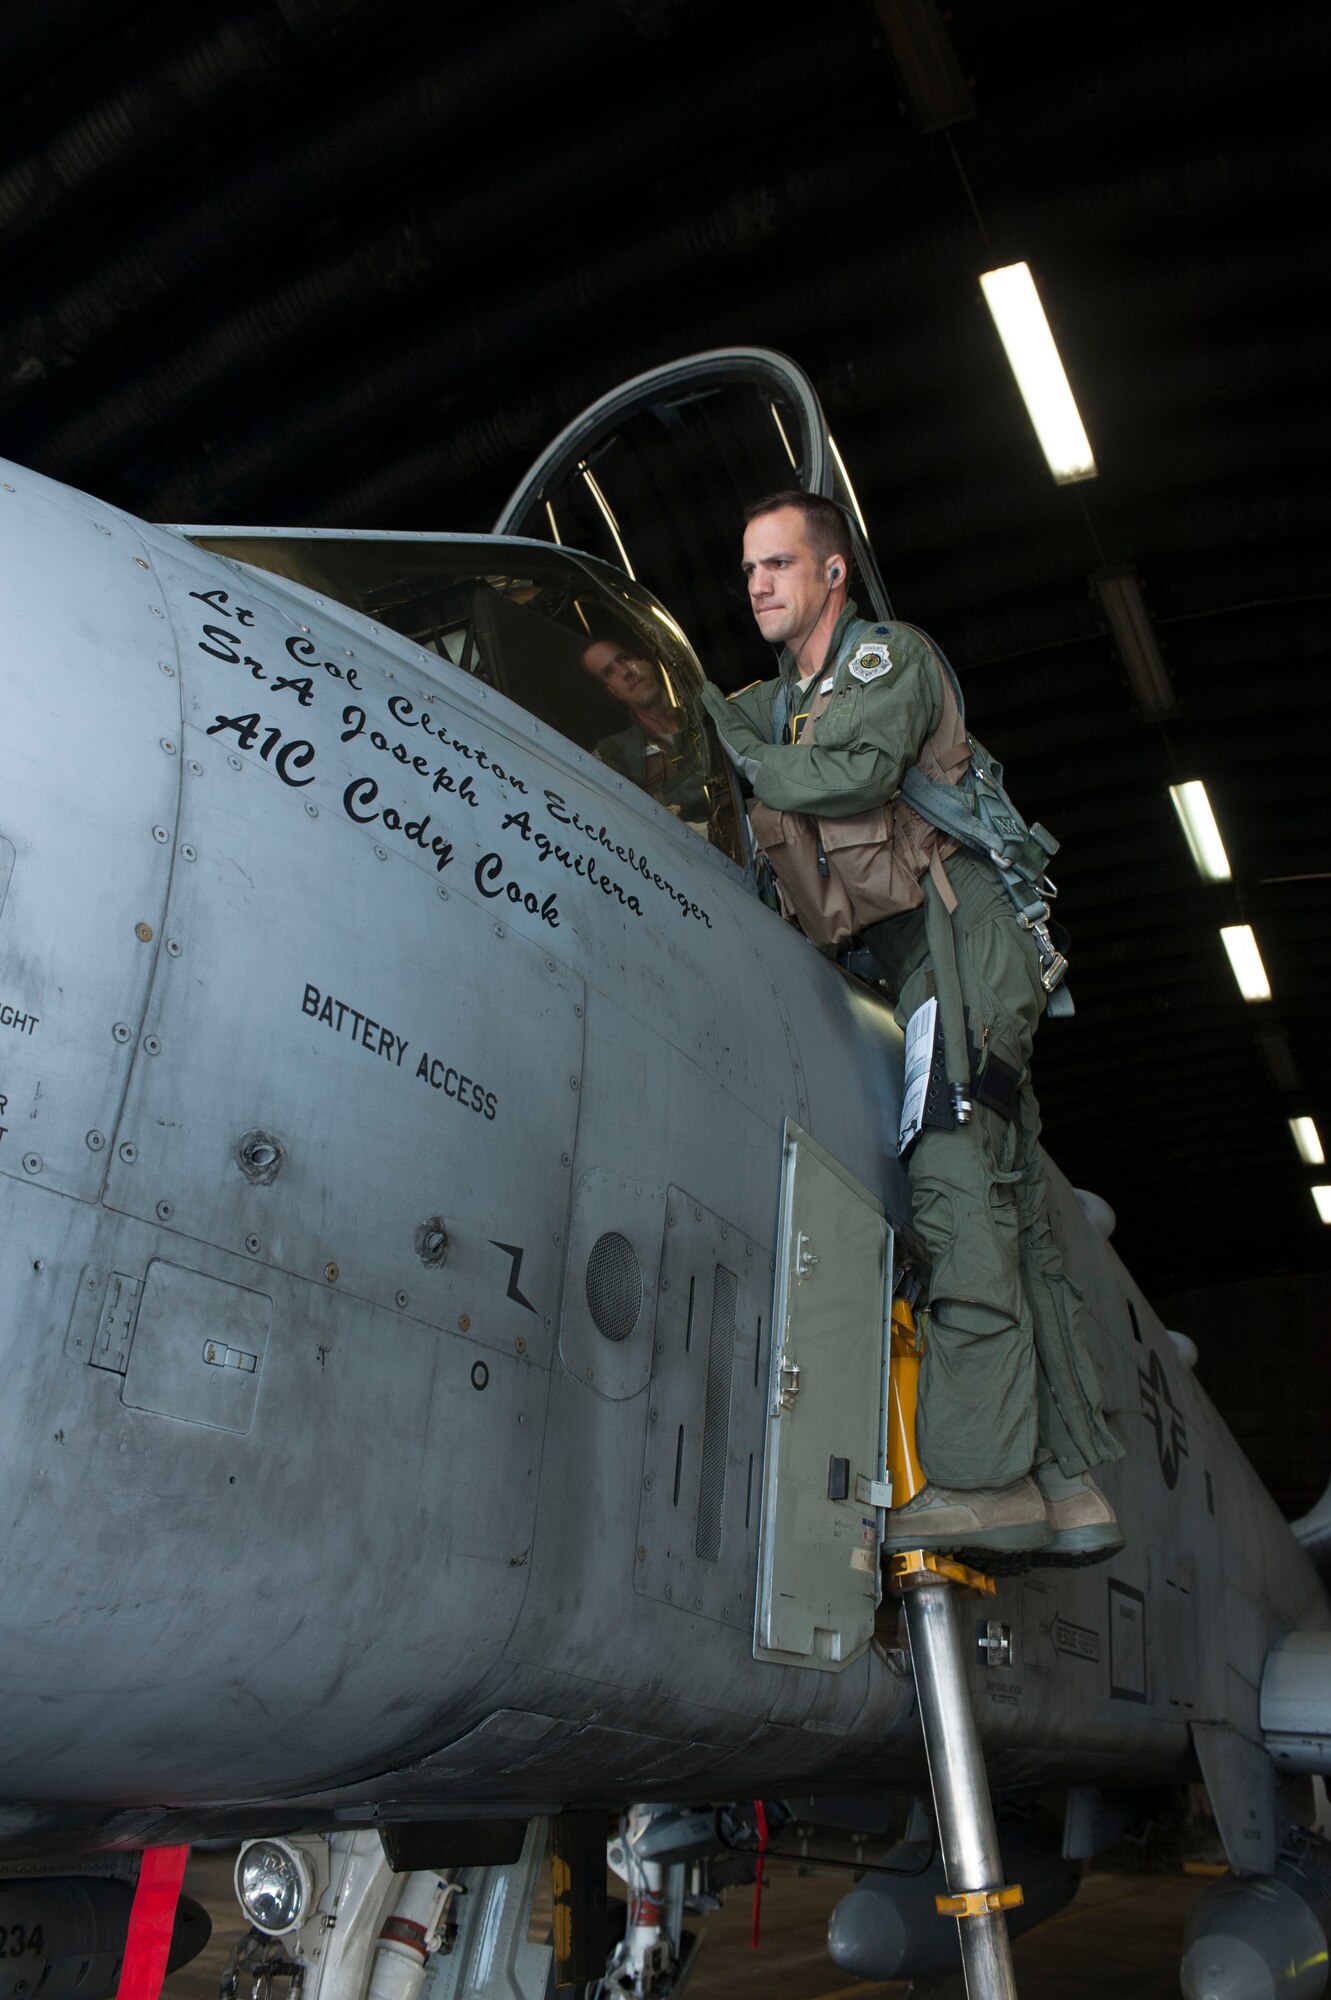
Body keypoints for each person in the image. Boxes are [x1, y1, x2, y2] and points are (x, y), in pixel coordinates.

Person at [698, 491, 1123, 1563]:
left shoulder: (887, 664)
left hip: (962, 935)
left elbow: (848, 774)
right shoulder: (778, 702)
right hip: (918, 957)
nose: (757, 582)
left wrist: (739, 754)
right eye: (748, 566)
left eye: (779, 563)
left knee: (947, 1171)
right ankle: (1068, 1482)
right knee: (1008, 1203)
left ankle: (984, 1483)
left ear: (830, 574)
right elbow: (724, 725)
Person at [581, 638, 709, 821]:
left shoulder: (706, 716)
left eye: (625, 658)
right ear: (613, 692)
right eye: (609, 672)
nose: (626, 672)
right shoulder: (617, 755)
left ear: (646, 661)